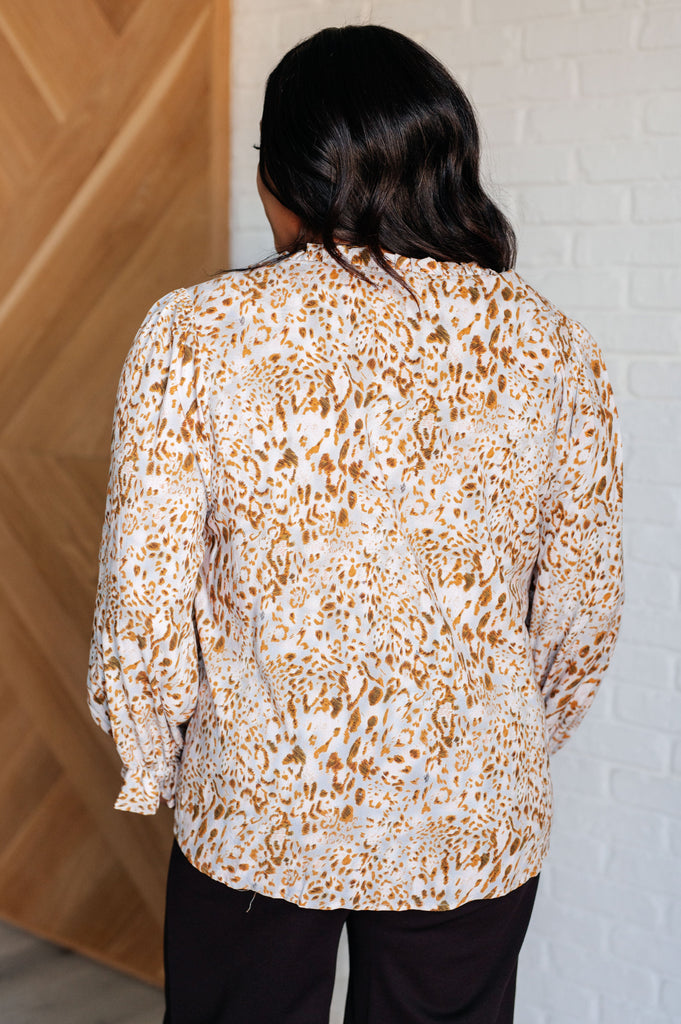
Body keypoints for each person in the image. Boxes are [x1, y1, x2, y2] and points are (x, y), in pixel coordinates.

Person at [86, 24, 625, 1024]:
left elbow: (143, 600)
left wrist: (163, 756)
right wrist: (497, 739)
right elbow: (580, 610)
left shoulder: (198, 332)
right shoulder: (554, 346)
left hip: (258, 805)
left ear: (287, 172)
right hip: (472, 809)